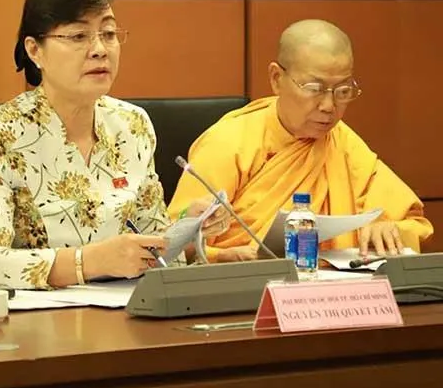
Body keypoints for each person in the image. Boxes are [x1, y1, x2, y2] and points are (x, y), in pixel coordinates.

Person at [0, 0, 227, 289]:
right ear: (35, 50)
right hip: (42, 314)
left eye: (108, 34)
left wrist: (186, 229)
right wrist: (90, 262)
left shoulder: (132, 124)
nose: (99, 49)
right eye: (78, 36)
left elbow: (153, 248)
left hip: (130, 306)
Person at [169, 19, 433, 263]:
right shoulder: (230, 142)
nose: (329, 106)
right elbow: (172, 242)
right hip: (244, 285)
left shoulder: (342, 141)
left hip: (334, 285)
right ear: (276, 79)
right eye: (314, 89)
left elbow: (412, 222)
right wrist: (221, 257)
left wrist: (388, 228)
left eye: (342, 91)